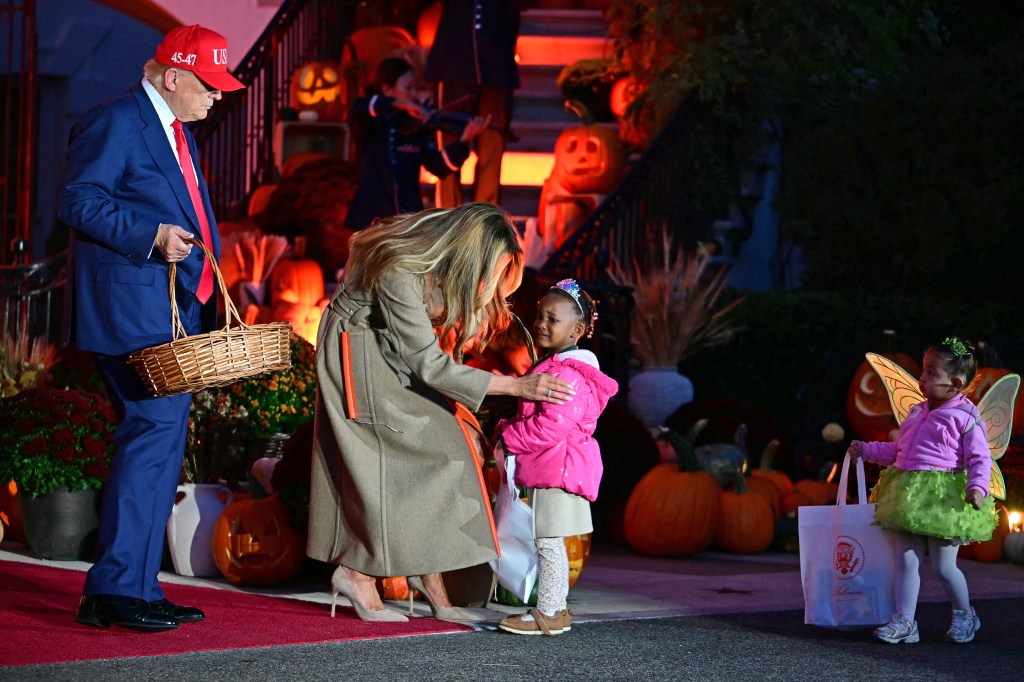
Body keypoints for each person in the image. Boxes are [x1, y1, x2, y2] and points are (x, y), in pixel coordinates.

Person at [57, 25, 244, 632]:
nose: (217, 97)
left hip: (170, 311)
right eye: (209, 86)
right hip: (134, 314)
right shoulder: (117, 119)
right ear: (173, 76)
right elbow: (78, 199)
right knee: (151, 440)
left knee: (157, 449)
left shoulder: (173, 131)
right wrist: (151, 236)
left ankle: (131, 586)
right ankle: (115, 588)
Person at [309, 202, 577, 622]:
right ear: (471, 255)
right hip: (356, 352)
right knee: (393, 453)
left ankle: (428, 576)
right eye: (491, 271)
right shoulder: (400, 270)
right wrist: (516, 384)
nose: (489, 283)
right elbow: (427, 363)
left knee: (451, 443)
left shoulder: (437, 268)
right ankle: (356, 573)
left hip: (388, 351)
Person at [847, 336, 998, 645]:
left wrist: (978, 487)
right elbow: (900, 452)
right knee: (906, 560)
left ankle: (965, 614)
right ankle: (904, 620)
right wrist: (867, 450)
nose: (922, 378)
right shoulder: (917, 411)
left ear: (955, 383)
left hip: (943, 499)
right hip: (908, 494)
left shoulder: (966, 417)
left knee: (944, 566)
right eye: (924, 371)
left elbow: (980, 457)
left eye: (931, 373)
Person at [493, 279, 619, 636]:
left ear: (577, 330)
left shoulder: (569, 374)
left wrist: (508, 436)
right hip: (550, 466)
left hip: (560, 468)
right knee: (547, 539)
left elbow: (551, 426)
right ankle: (555, 609)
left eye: (552, 319)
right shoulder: (554, 367)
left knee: (549, 541)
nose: (541, 324)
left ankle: (549, 610)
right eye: (539, 316)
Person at [344, 57, 489, 230]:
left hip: (407, 217)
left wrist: (464, 140)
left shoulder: (416, 128)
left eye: (415, 88)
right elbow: (359, 107)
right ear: (387, 90)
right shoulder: (370, 122)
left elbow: (438, 166)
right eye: (407, 88)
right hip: (371, 215)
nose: (413, 94)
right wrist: (400, 104)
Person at [424, 0, 521, 207]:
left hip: (497, 70)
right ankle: (448, 222)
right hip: (453, 67)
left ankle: (483, 226)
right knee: (449, 149)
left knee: (491, 153)